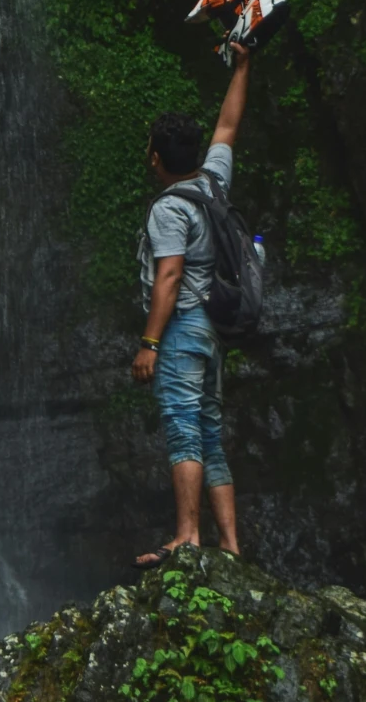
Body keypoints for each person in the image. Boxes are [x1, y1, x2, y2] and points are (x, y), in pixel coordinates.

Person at [130, 45, 251, 566]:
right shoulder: (212, 183)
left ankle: (186, 536)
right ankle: (230, 545)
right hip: (213, 336)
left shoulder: (169, 208)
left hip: (181, 331)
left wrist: (149, 343)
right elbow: (228, 127)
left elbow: (170, 276)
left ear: (155, 157)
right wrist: (243, 67)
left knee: (182, 426)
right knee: (209, 432)